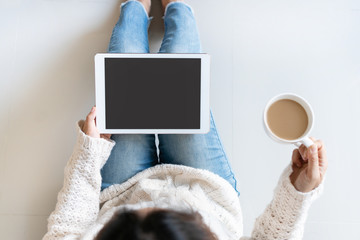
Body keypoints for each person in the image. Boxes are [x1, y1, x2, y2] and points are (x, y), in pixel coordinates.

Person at [43, 0, 328, 239]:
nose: (158, 204)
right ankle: (175, 6)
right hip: (204, 189)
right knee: (182, 64)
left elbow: (66, 231)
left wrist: (89, 155)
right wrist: (298, 190)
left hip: (123, 190)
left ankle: (136, 7)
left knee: (124, 63)